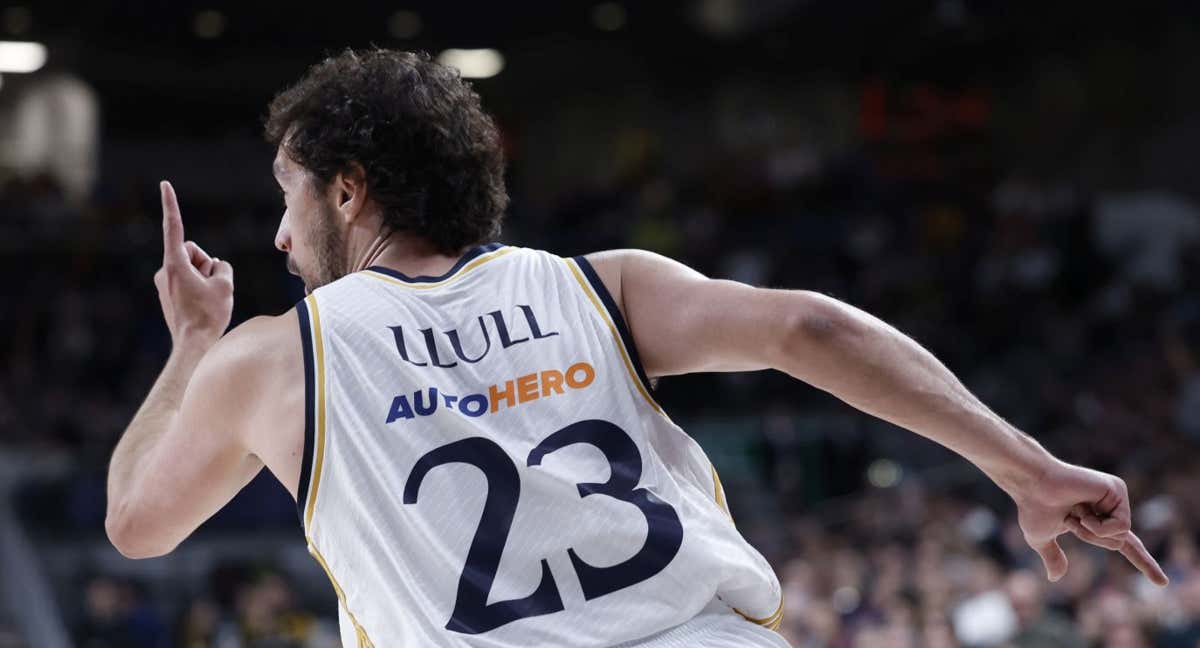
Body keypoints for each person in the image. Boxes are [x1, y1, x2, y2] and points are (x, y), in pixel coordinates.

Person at [104, 48, 1169, 648]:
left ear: (348, 190)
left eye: (290, 199)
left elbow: (138, 525)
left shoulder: (272, 356)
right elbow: (811, 328)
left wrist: (193, 345)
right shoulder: (600, 285)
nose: (282, 237)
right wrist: (1022, 466)